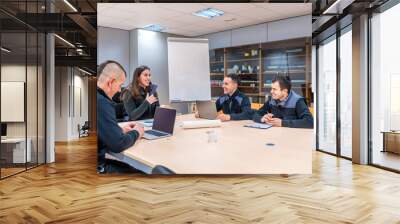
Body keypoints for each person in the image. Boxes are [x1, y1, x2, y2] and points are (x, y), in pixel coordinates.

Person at [97, 60, 145, 173]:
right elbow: (118, 144)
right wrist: (137, 132)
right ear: (110, 82)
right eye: (119, 85)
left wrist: (118, 130)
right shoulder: (102, 102)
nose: (119, 90)